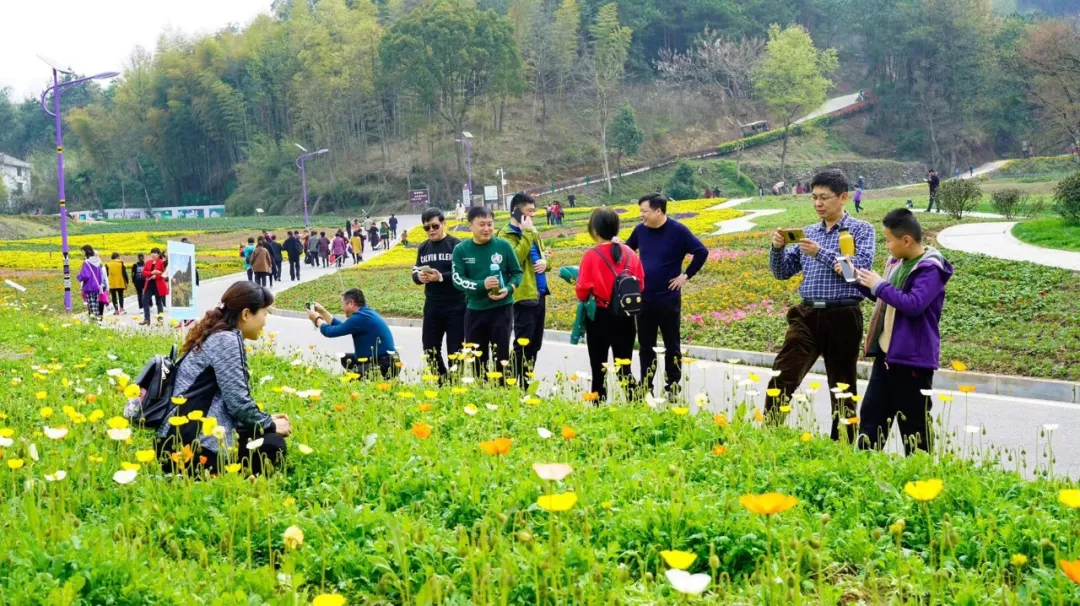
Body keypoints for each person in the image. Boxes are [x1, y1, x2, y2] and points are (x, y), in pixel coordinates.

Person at [766, 169, 875, 442]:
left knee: (842, 386)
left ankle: (842, 446)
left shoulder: (861, 230)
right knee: (784, 373)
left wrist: (820, 253)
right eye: (814, 197)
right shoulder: (809, 232)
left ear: (843, 197)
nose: (818, 203)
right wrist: (777, 248)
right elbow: (782, 272)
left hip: (843, 314)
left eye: (824, 198)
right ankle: (769, 435)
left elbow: (857, 272)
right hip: (807, 314)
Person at [154, 281, 290, 475]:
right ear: (246, 314)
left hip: (175, 439)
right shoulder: (227, 340)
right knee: (272, 445)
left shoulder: (215, 334)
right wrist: (271, 424)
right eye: (265, 313)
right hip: (191, 448)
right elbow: (238, 403)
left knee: (264, 436)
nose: (265, 322)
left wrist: (266, 420)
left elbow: (226, 403)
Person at [854, 209, 953, 455]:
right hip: (886, 357)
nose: (886, 246)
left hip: (912, 361)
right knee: (871, 420)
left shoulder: (930, 269)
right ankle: (864, 474)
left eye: (888, 240)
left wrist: (880, 285)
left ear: (906, 240)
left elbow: (913, 304)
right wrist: (861, 281)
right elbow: (887, 297)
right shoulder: (897, 263)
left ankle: (921, 480)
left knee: (914, 427)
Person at [626, 194, 708, 397]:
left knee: (672, 345)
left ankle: (673, 385)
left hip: (668, 299)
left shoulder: (678, 231)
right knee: (646, 346)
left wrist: (685, 276)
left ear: (658, 211)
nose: (642, 216)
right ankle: (647, 386)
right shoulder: (640, 231)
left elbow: (701, 251)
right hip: (644, 299)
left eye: (644, 211)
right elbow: (627, 251)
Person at [575, 208, 644, 402]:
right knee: (625, 369)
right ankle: (637, 407)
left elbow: (582, 291)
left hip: (600, 317)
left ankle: (600, 413)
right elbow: (641, 284)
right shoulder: (630, 253)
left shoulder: (591, 255)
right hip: (627, 318)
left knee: (599, 371)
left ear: (595, 230)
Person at [451, 206, 523, 381]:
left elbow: (517, 273)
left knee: (502, 357)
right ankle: (482, 394)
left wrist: (509, 289)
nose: (486, 229)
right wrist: (482, 285)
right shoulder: (461, 250)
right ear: (470, 226)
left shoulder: (503, 246)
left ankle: (502, 395)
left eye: (490, 224)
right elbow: (457, 279)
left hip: (502, 309)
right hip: (475, 310)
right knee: (477, 358)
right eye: (481, 224)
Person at [499, 192, 552, 387]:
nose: (533, 215)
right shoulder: (506, 235)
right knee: (522, 344)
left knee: (534, 345)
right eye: (529, 211)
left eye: (534, 211)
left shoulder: (533, 231)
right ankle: (510, 386)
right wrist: (527, 233)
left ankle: (526, 387)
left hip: (540, 293)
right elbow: (513, 259)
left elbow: (544, 255)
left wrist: (546, 262)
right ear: (516, 212)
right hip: (522, 295)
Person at [412, 208, 467, 380]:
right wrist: (419, 276)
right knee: (429, 349)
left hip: (456, 305)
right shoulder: (423, 248)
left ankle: (455, 384)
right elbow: (415, 272)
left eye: (435, 226)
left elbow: (464, 273)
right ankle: (442, 381)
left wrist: (441, 277)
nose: (431, 230)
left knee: (455, 351)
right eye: (426, 228)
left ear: (444, 224)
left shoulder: (456, 245)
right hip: (432, 305)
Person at [307, 288, 396, 379]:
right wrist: (322, 311)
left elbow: (330, 332)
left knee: (348, 380)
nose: (342, 308)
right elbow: (341, 327)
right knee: (346, 359)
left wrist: (317, 319)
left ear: (351, 303)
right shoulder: (365, 314)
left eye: (343, 305)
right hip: (383, 360)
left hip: (385, 364)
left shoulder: (360, 318)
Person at [76, 245, 108, 323]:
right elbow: (100, 275)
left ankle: (95, 322)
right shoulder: (98, 262)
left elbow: (85, 275)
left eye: (83, 252)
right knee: (96, 305)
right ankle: (98, 321)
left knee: (92, 306)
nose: (82, 254)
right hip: (97, 287)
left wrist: (79, 276)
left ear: (86, 252)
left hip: (89, 287)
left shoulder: (86, 263)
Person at [141, 248, 169, 326]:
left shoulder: (161, 262)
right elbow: (143, 273)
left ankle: (160, 321)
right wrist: (151, 273)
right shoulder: (148, 262)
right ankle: (147, 319)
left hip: (158, 284)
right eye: (152, 253)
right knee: (144, 300)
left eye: (155, 253)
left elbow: (164, 273)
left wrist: (156, 275)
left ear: (158, 254)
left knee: (158, 302)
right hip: (149, 284)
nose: (153, 254)